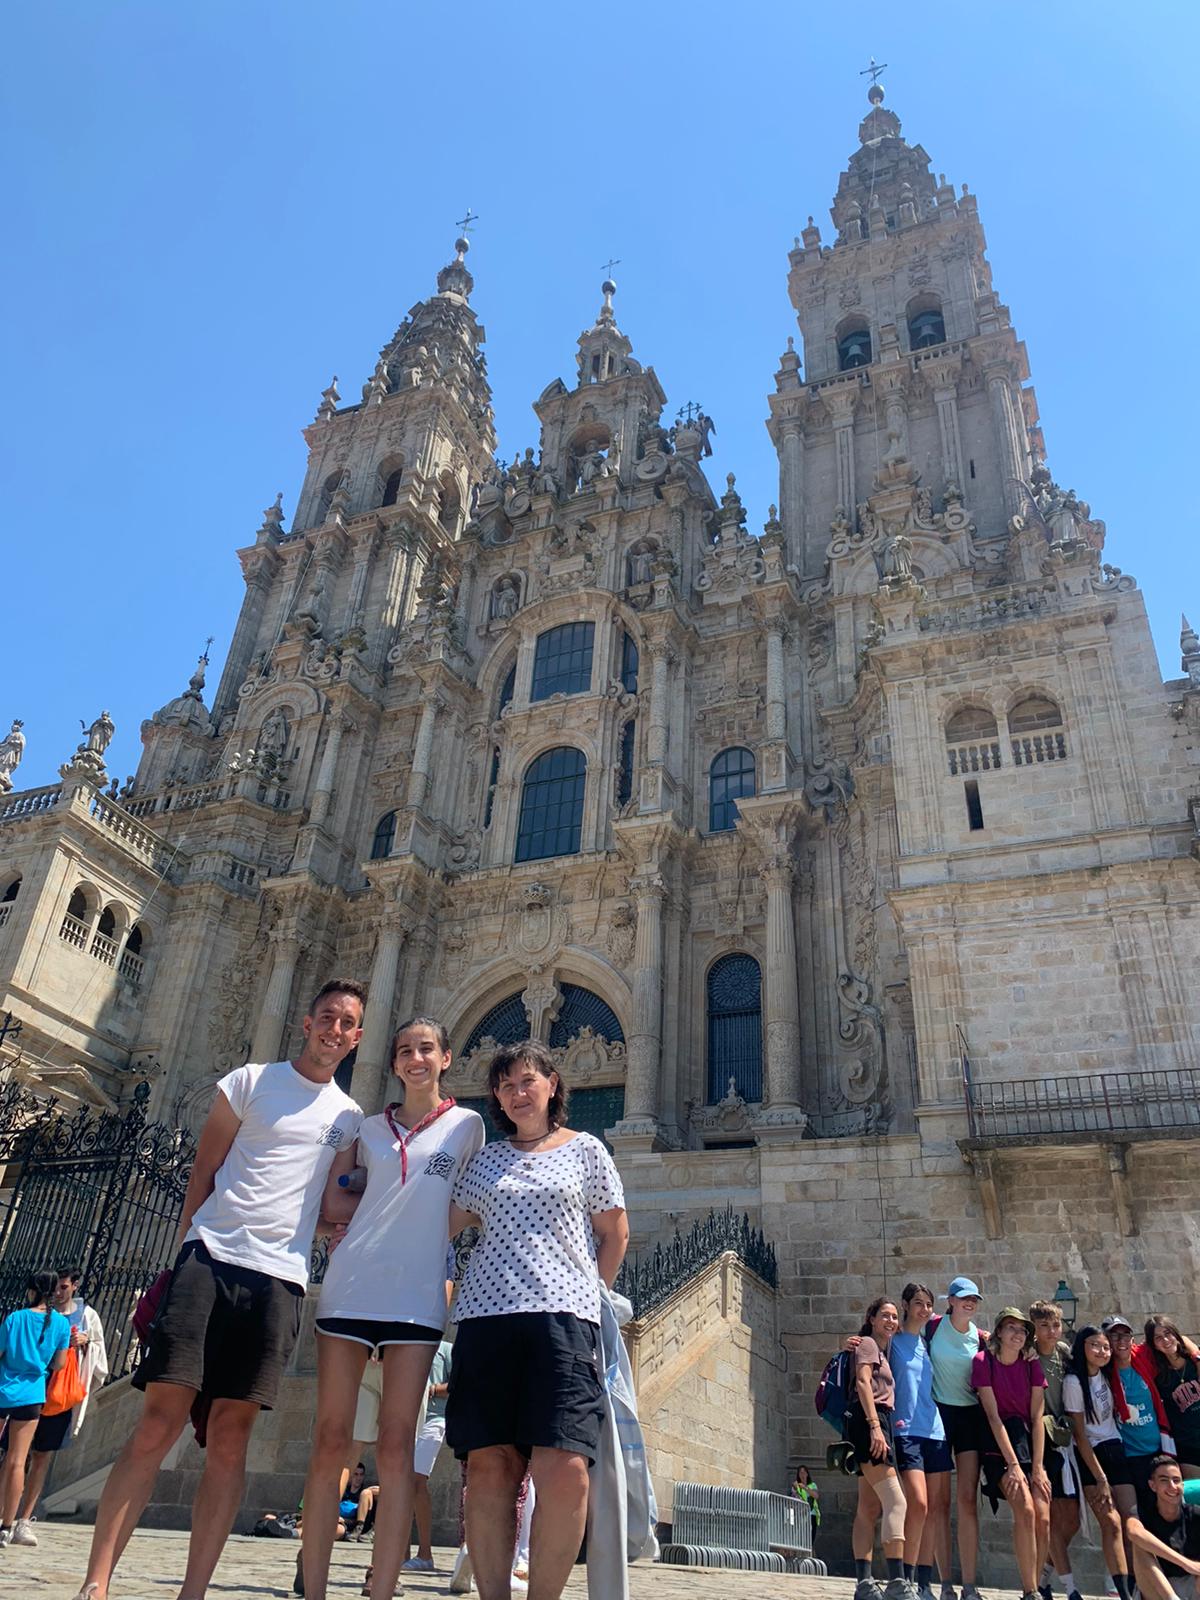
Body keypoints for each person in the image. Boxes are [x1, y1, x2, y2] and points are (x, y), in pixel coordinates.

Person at [70, 977, 366, 1600]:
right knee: (158, 1422)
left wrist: (398, 1191)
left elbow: (330, 1204)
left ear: (356, 1038)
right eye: (327, 1017)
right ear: (307, 1022)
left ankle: (194, 1591)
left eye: (346, 1023)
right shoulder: (250, 1081)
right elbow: (203, 1169)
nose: (334, 1029)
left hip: (279, 1280)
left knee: (232, 1439)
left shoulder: (348, 1117)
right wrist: (184, 1254)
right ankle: (97, 1582)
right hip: (210, 1259)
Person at [302, 1016, 484, 1600]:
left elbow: (471, 1202)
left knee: (397, 1444)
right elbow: (335, 1198)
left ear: (447, 1058)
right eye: (405, 1050)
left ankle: (382, 1585)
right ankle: (313, 1583)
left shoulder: (467, 1126)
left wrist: (425, 1235)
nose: (415, 1058)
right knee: (330, 1439)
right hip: (351, 1287)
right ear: (394, 1062)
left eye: (426, 1049)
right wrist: (349, 1226)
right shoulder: (366, 1127)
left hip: (416, 1300)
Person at [445, 1038, 629, 1600]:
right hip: (485, 1318)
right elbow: (439, 1225)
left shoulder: (586, 1149)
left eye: (528, 1080)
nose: (517, 1092)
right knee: (489, 1467)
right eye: (505, 1085)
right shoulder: (485, 1161)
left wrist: (588, 1292)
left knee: (566, 1467)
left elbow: (615, 1232)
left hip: (564, 1321)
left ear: (552, 1085)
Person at [11, 1266, 108, 1546]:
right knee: (14, 1456)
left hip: (59, 1395)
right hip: (31, 1389)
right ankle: (6, 1514)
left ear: (75, 1286)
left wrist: (86, 1342)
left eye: (64, 1287)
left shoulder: (87, 1315)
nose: (58, 1292)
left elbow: (99, 1355)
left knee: (41, 1456)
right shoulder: (38, 1313)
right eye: (55, 1286)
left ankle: (24, 1519)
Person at [972, 1306, 1052, 1600]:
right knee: (1026, 1509)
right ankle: (1030, 1591)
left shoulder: (1031, 1365)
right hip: (998, 1444)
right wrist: (1014, 1465)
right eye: (1011, 1327)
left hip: (1028, 1441)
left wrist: (1039, 1467)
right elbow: (994, 1418)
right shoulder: (983, 1362)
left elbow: (1037, 1418)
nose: (1017, 1334)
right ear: (999, 1332)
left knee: (1043, 1516)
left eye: (1022, 1330)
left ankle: (1036, 1586)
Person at [846, 1297, 916, 1600]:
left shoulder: (878, 1349)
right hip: (871, 1420)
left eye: (894, 1317)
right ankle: (897, 1581)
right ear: (871, 1318)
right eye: (885, 1315)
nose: (891, 1321)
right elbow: (863, 1383)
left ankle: (864, 1583)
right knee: (896, 1501)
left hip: (873, 1421)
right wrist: (875, 1426)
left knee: (868, 1507)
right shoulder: (868, 1345)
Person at [927, 1276, 988, 1600]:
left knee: (967, 1500)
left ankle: (969, 1585)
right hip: (938, 1415)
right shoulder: (933, 1327)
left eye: (974, 1299)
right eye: (964, 1297)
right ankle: (946, 1583)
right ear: (950, 1300)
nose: (969, 1303)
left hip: (969, 1418)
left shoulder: (980, 1338)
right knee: (939, 1503)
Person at [890, 1282, 952, 1600]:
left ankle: (925, 1585)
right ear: (905, 1305)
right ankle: (906, 1576)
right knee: (919, 1503)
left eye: (928, 1304)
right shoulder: (892, 1341)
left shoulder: (930, 1343)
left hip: (935, 1431)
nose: (924, 1309)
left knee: (934, 1510)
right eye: (918, 1303)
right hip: (905, 1430)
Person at [0, 1271, 71, 1547]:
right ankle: (7, 1525)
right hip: (32, 1395)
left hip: (4, 1389)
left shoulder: (15, 1318)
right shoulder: (61, 1325)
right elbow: (59, 1364)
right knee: (18, 1461)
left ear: (32, 1290)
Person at [1062, 1325, 1133, 1600]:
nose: (1102, 1351)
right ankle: (1120, 1591)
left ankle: (1134, 1584)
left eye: (1105, 1347)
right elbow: (1080, 1435)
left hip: (1115, 1447)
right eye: (1095, 1345)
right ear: (1082, 1347)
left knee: (1131, 1521)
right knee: (1111, 1522)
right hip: (1090, 1455)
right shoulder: (1073, 1382)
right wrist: (1101, 1478)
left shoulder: (1105, 1372)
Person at [1030, 1299, 1082, 1600]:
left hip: (1064, 1440)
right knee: (1048, 1517)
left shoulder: (1063, 1353)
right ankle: (1071, 1588)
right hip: (1041, 1440)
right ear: (1034, 1329)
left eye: (1056, 1325)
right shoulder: (1028, 1355)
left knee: (1072, 1519)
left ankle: (1042, 1579)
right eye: (1045, 1326)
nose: (1052, 1331)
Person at [405, 1338, 453, 1573]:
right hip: (406, 1419)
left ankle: (425, 1553)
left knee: (416, 1480)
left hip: (434, 1419)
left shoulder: (446, 1349)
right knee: (402, 1484)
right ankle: (401, 1553)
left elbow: (459, 1382)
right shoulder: (407, 1344)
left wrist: (432, 1390)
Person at [1125, 1454, 1200, 1600]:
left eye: (1176, 1480)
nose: (1172, 1486)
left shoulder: (1195, 1513)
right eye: (1164, 1480)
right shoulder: (1142, 1513)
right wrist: (1186, 1564)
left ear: (1182, 1485)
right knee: (1140, 1545)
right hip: (1156, 1588)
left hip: (1192, 1586)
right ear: (1153, 1485)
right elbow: (1133, 1532)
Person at [1141, 1319, 1200, 1478]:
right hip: (1188, 1445)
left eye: (1168, 1333)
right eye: (1158, 1338)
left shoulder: (1195, 1361)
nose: (1166, 1340)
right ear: (1153, 1344)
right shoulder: (1159, 1376)